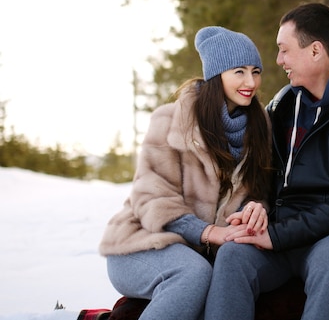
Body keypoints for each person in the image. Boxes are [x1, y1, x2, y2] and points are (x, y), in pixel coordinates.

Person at [205, 2, 329, 320]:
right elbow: (263, 179)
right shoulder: (281, 105)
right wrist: (256, 205)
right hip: (279, 235)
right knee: (233, 256)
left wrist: (279, 235)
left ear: (316, 51)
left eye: (285, 50)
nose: (278, 60)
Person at [98, 26, 272, 320]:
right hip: (141, 243)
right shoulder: (171, 120)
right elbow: (150, 199)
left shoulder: (260, 125)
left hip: (201, 252)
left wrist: (256, 210)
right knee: (192, 274)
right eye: (239, 72)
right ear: (217, 74)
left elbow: (262, 191)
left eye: (256, 71)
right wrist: (209, 232)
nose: (251, 81)